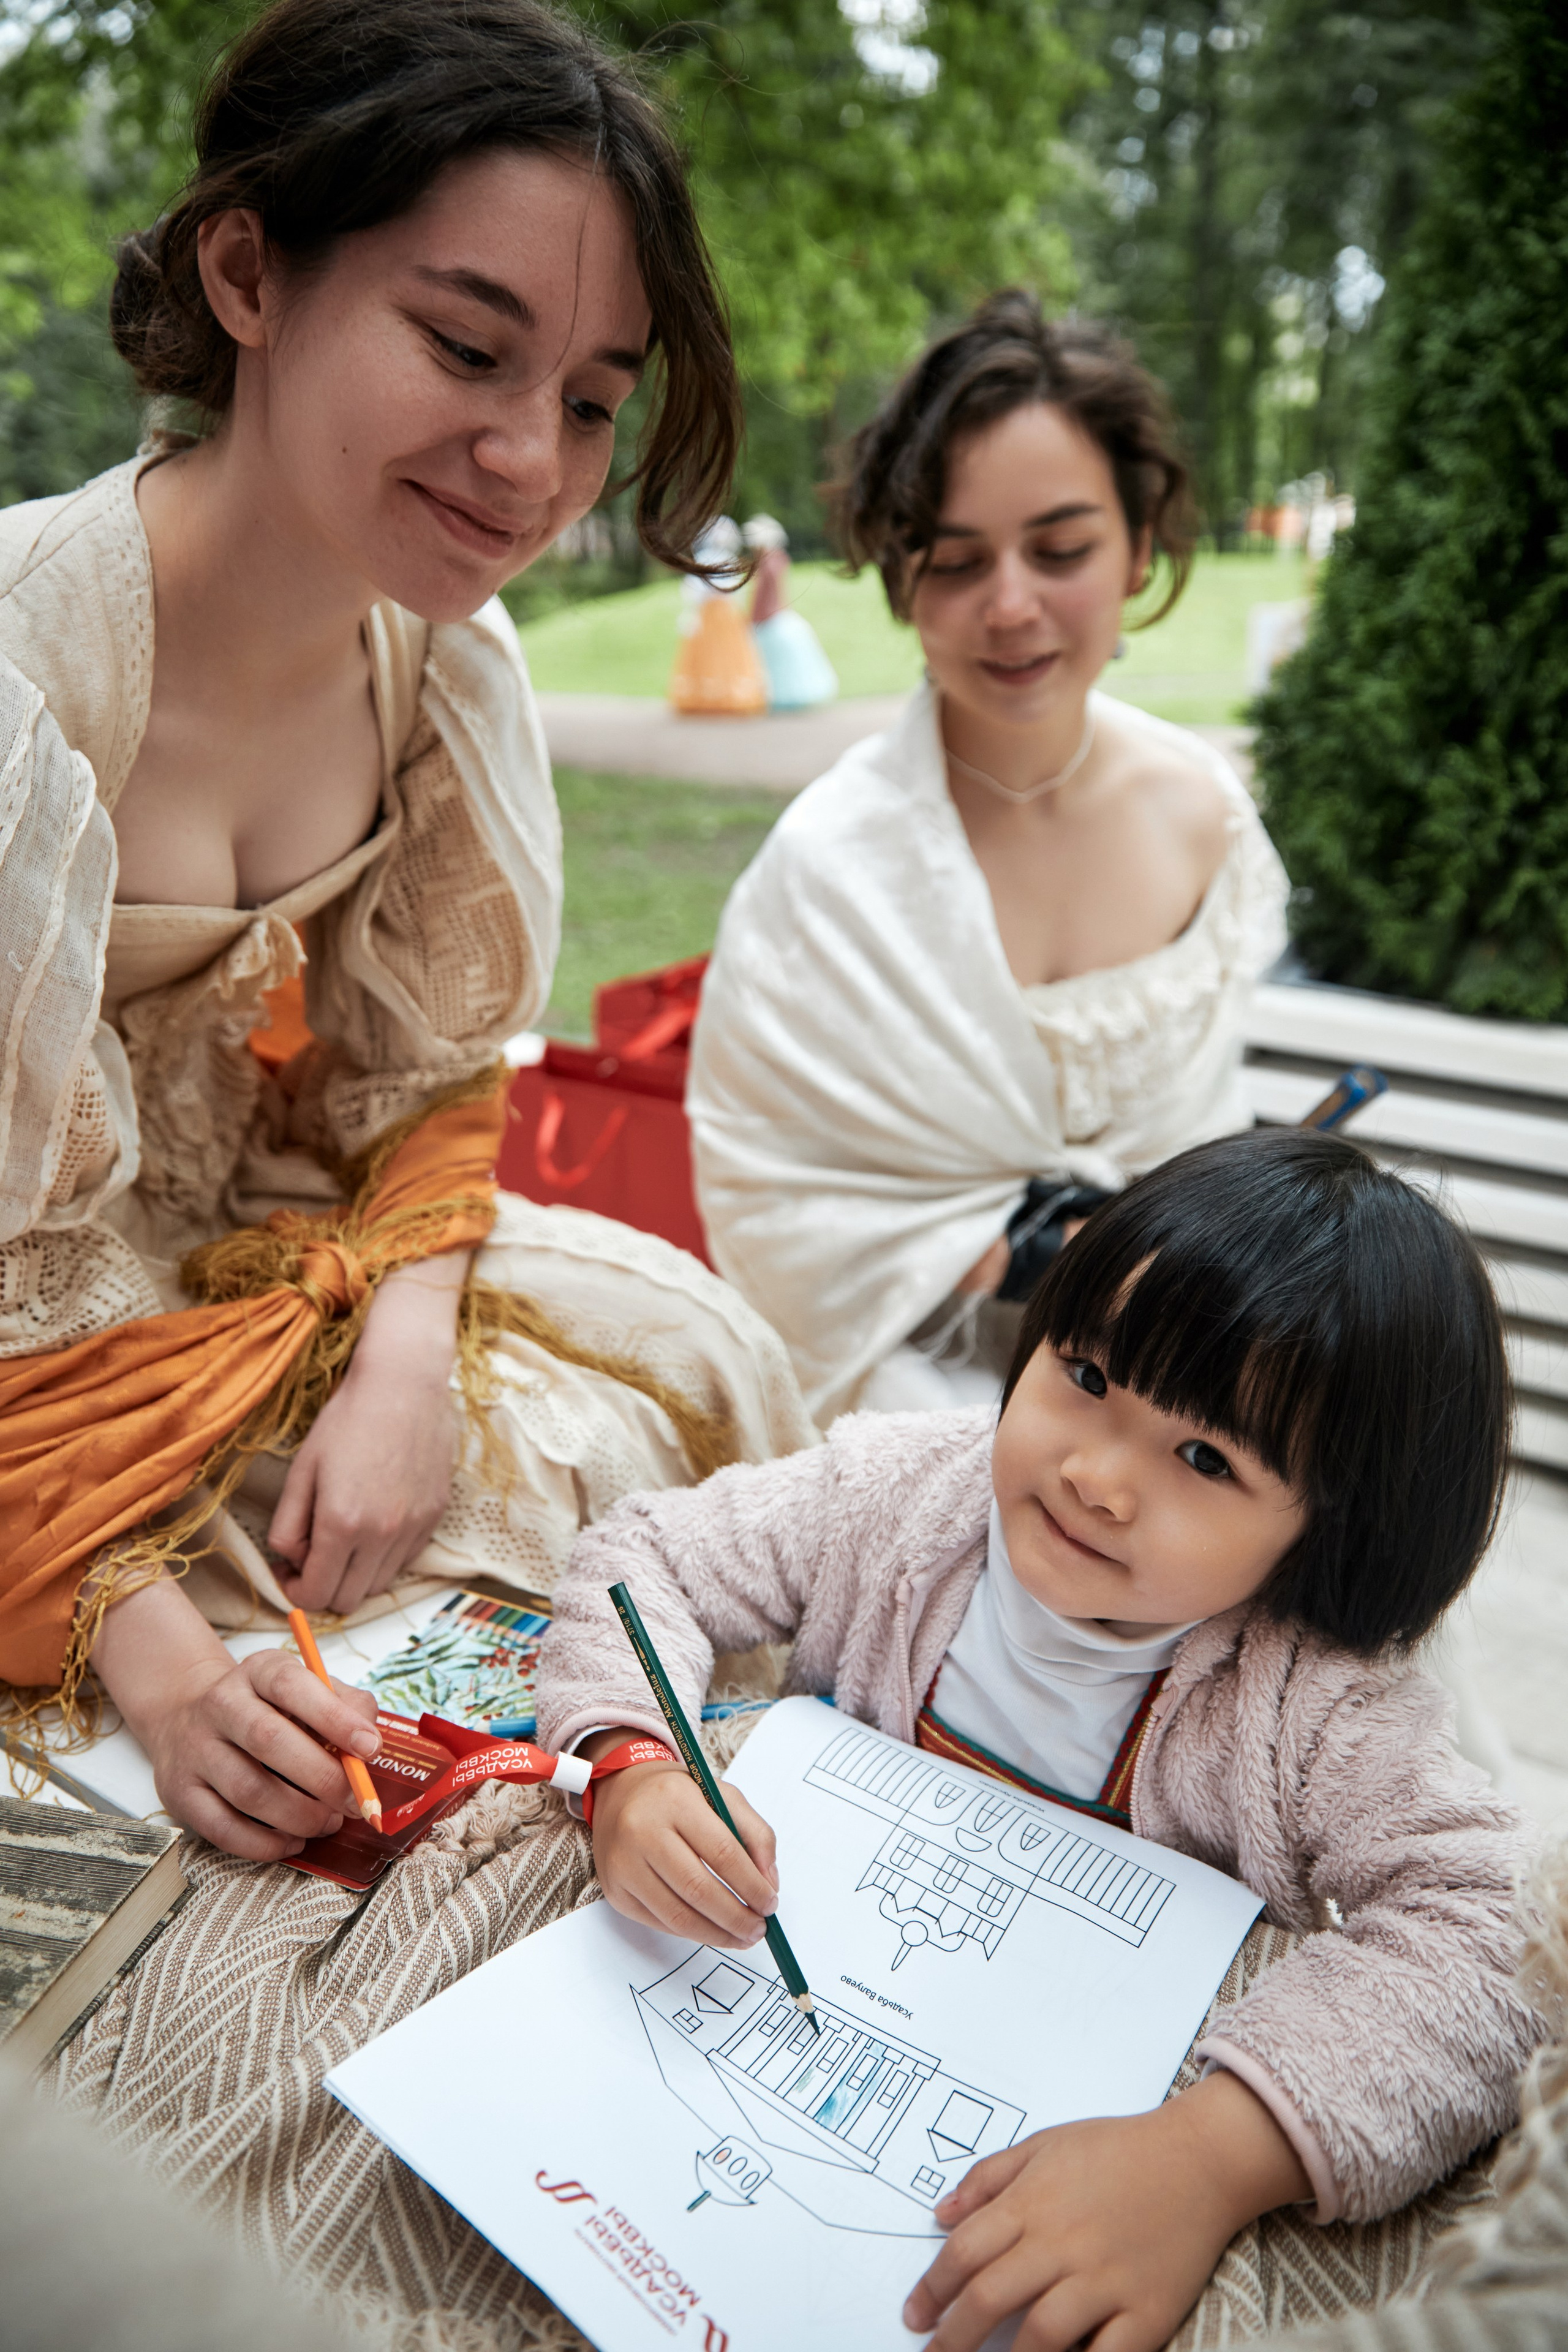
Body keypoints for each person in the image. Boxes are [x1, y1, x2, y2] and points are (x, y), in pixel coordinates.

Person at [0, 0, 813, 1865]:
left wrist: (403, 1354)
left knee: (693, 1369)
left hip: (252, 1258)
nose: (528, 459)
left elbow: (429, 1077)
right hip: (30, 1374)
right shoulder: (24, 686)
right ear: (246, 276)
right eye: (464, 345)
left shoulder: (438, 655)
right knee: (341, 1784)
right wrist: (160, 1665)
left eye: (591, 401)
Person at [537, 1128, 1539, 2352]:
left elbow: (1503, 1939)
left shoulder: (1314, 1705)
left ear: (1330, 1527)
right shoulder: (896, 1495)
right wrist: (631, 1767)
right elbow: (644, 1560)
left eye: (1204, 1457)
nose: (1095, 1478)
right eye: (1088, 1375)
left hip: (1067, 2138)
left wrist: (1209, 2160)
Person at [688, 291, 1289, 1425]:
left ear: (1139, 549)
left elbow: (1211, 1128)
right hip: (890, 1401)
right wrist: (1019, 1254)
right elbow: (766, 1191)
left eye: (1060, 549)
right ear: (902, 581)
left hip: (1174, 1392)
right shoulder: (828, 868)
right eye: (958, 563)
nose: (1011, 606)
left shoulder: (1203, 818)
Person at [666, 515, 769, 715]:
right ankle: (715, 696)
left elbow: (695, 589)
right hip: (718, 613)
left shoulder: (711, 560)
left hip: (719, 613)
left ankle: (720, 695)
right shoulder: (711, 560)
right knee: (717, 653)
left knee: (722, 652)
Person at [742, 513, 839, 709]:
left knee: (770, 661)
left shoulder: (766, 563)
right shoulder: (780, 558)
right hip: (781, 614)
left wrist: (752, 620)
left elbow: (763, 597)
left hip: (768, 619)